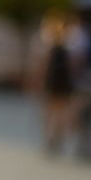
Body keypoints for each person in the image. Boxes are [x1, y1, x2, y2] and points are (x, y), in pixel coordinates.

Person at [26, 11, 77, 156]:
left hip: (52, 83)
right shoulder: (67, 47)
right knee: (61, 112)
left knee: (49, 112)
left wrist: (36, 81)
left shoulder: (48, 46)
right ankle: (58, 138)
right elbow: (72, 67)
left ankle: (50, 138)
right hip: (64, 84)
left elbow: (43, 67)